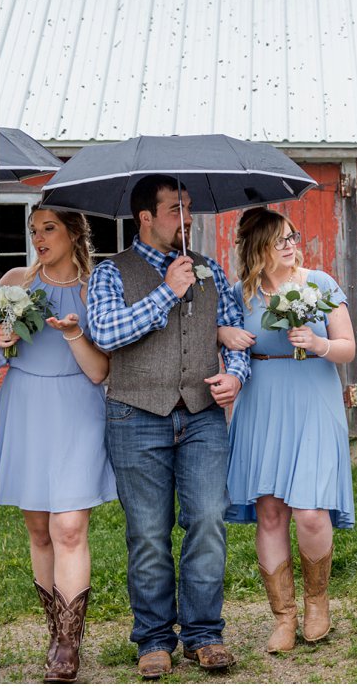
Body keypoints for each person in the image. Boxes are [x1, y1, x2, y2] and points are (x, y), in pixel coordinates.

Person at [86, 175, 249, 679]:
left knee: (206, 522)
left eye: (189, 208)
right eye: (176, 209)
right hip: (135, 415)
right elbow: (107, 334)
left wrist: (234, 377)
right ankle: (153, 640)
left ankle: (205, 634)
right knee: (149, 534)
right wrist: (167, 291)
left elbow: (235, 333)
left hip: (201, 414)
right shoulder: (111, 272)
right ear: (146, 219)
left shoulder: (210, 269)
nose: (187, 218)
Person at [219, 207, 356, 652]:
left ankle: (317, 601)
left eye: (292, 236)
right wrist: (224, 332)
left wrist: (319, 344)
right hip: (262, 401)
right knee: (271, 511)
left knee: (311, 511)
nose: (290, 245)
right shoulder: (241, 295)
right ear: (258, 246)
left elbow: (348, 348)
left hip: (313, 397)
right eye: (280, 239)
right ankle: (283, 616)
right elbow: (217, 334)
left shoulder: (320, 284)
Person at [0, 207, 116, 682]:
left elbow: (100, 371)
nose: (39, 238)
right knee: (40, 530)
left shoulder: (94, 288)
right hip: (25, 404)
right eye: (33, 231)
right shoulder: (15, 282)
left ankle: (69, 645)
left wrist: (72, 334)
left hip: (77, 405)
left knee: (69, 527)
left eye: (48, 229)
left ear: (74, 233)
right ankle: (54, 632)